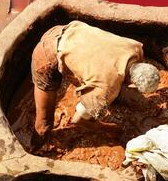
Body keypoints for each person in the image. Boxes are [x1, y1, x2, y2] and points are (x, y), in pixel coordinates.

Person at [31, 20, 160, 147]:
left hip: (63, 29)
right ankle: (34, 149)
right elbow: (78, 120)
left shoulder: (136, 47)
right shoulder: (105, 89)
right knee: (44, 124)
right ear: (134, 84)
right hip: (46, 55)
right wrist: (109, 129)